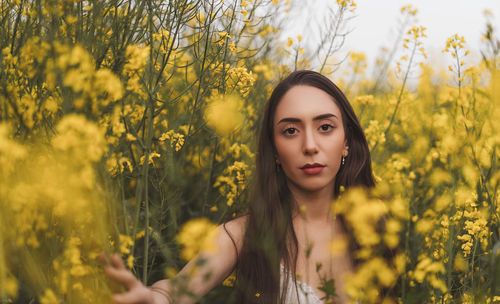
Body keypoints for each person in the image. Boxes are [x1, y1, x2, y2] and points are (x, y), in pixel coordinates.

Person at [101, 70, 375, 304]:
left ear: (347, 142)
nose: (310, 146)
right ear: (275, 151)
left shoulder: (378, 230)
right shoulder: (243, 235)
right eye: (290, 131)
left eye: (325, 127)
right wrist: (152, 298)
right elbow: (174, 291)